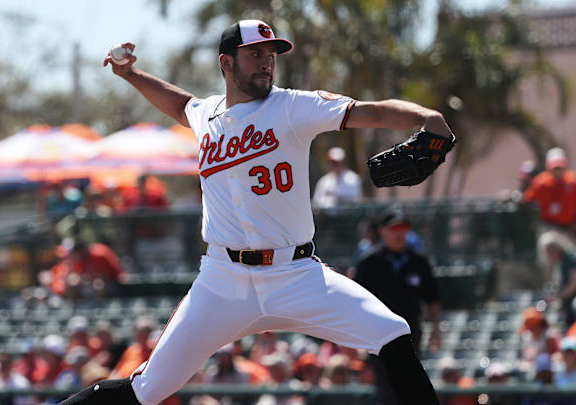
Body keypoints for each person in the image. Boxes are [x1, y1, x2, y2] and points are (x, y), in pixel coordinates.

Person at [60, 19, 453, 405]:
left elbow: (373, 112)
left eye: (271, 54)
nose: (267, 62)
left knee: (393, 334)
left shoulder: (294, 106)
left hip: (296, 274)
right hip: (222, 281)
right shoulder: (206, 114)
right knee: (147, 390)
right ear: (226, 63)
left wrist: (425, 117)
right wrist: (131, 74)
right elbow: (179, 103)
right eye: (255, 54)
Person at [353, 210, 441, 405]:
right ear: (383, 231)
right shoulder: (369, 261)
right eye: (394, 229)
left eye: (403, 228)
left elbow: (432, 297)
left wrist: (436, 328)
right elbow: (355, 298)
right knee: (386, 387)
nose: (399, 233)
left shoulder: (418, 261)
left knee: (411, 385)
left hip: (411, 331)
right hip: (377, 333)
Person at [523, 147, 576, 234]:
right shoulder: (540, 182)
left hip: (569, 228)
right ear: (548, 167)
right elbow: (527, 200)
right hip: (548, 226)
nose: (557, 171)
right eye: (555, 168)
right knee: (548, 242)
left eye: (559, 168)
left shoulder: (573, 181)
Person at [539, 231, 576, 324]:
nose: (548, 257)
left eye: (548, 253)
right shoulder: (562, 261)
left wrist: (559, 296)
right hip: (572, 308)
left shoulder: (572, 258)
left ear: (554, 250)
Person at [49, 238, 126, 299]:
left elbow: (117, 274)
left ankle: (100, 310)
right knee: (72, 282)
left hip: (110, 284)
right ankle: (75, 309)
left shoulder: (100, 253)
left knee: (98, 284)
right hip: (87, 285)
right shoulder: (74, 260)